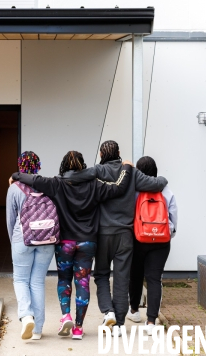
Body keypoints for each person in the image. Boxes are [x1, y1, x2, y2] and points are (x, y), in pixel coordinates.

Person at [11, 151, 133, 340]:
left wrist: (16, 175)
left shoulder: (57, 183)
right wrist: (126, 168)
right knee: (82, 282)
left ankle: (65, 316)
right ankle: (78, 328)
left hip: (64, 243)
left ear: (63, 165)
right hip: (88, 242)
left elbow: (34, 179)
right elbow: (119, 188)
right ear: (83, 165)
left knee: (64, 280)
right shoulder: (95, 185)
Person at [67, 140, 168, 335]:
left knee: (102, 274)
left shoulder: (97, 171)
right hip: (126, 235)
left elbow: (72, 176)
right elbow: (156, 184)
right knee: (122, 278)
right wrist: (163, 178)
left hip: (103, 234)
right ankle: (120, 325)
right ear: (119, 152)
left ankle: (109, 312)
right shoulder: (130, 172)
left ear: (100, 155)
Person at [6, 151, 55, 340]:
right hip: (47, 239)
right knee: (37, 282)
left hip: (23, 238)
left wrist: (14, 242)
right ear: (38, 166)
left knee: (20, 280)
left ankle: (26, 316)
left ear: (20, 166)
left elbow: (10, 220)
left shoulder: (15, 188)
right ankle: (38, 329)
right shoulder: (49, 185)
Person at [127, 156, 177, 326]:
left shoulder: (133, 190)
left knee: (135, 275)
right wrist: (168, 233)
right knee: (154, 278)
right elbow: (173, 216)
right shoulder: (166, 190)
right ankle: (151, 320)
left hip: (138, 239)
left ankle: (134, 311)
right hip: (161, 240)